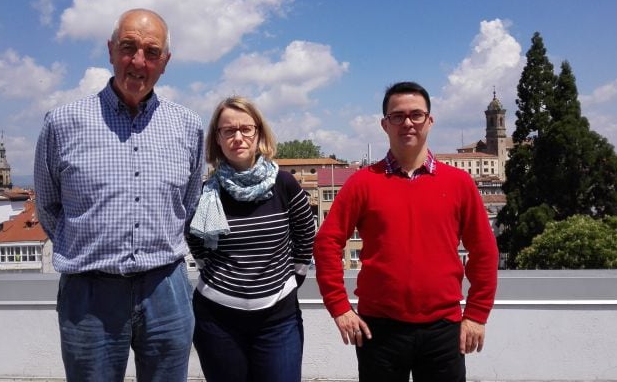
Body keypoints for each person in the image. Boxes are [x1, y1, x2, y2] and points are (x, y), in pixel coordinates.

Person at [33, 8, 204, 382]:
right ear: (111, 51)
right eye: (128, 47)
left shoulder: (188, 126)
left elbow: (187, 206)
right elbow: (47, 206)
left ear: (165, 62)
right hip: (89, 295)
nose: (138, 61)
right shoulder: (63, 122)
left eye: (151, 52)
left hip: (167, 291)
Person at [313, 81, 499, 382]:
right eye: (397, 116)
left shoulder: (459, 183)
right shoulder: (362, 183)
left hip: (444, 328)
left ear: (430, 120)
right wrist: (339, 307)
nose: (407, 123)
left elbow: (484, 251)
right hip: (379, 329)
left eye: (416, 114)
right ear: (385, 124)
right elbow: (326, 243)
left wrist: (477, 314)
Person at [187, 96, 316, 382]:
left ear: (259, 133)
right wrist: (224, 279)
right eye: (228, 130)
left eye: (246, 129)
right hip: (217, 320)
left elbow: (306, 233)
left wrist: (292, 278)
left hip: (278, 320)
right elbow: (195, 240)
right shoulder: (208, 191)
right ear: (217, 139)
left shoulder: (284, 183)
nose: (238, 137)